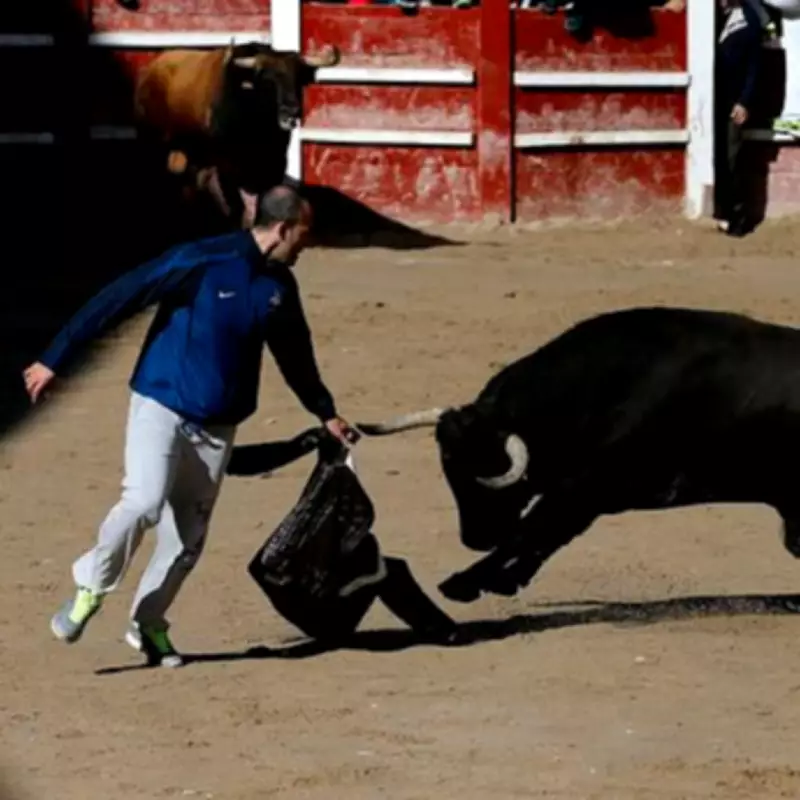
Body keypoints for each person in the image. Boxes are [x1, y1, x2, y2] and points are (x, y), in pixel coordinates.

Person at [23, 184, 358, 667]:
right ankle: (90, 589)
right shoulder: (201, 260)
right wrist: (56, 358)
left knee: (188, 538)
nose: (308, 242)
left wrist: (325, 412)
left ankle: (149, 623)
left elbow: (295, 357)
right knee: (142, 502)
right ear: (283, 228)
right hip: (161, 401)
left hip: (219, 424)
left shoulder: (280, 287)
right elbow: (121, 296)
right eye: (305, 233)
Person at [226, 428, 462, 646]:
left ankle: (439, 629)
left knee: (383, 567)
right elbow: (234, 461)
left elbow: (232, 461)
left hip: (310, 600)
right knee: (388, 570)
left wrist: (306, 443)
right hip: (326, 620)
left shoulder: (285, 555)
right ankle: (440, 629)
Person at [714, 0, 779, 236]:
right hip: (715, 99)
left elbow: (754, 67)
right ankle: (723, 211)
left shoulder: (749, 19)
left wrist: (744, 101)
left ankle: (737, 216)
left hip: (733, 101)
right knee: (723, 156)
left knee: (733, 157)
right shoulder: (719, 16)